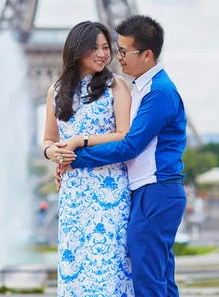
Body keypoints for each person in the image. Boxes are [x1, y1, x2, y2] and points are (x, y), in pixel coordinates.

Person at [56, 15, 187, 297]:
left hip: (156, 189)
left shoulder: (158, 93)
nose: (118, 57)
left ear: (147, 55)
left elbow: (129, 145)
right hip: (151, 189)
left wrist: (74, 157)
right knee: (159, 275)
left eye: (124, 52)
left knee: (148, 279)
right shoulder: (143, 87)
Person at [42, 21, 135, 296]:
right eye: (94, 47)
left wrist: (80, 141)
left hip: (109, 190)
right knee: (76, 268)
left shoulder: (115, 85)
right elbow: (47, 140)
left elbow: (125, 135)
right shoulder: (56, 91)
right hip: (73, 192)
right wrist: (53, 152)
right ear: (76, 50)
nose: (102, 54)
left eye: (106, 47)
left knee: (109, 267)